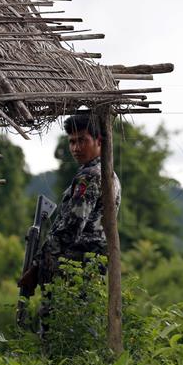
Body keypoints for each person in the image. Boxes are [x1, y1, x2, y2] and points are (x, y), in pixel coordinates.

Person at [38, 113, 121, 286]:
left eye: (82, 141)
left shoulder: (90, 176)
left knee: (56, 312)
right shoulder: (107, 173)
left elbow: (72, 227)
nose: (76, 148)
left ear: (99, 141)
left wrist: (41, 260)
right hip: (90, 266)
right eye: (72, 142)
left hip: (75, 267)